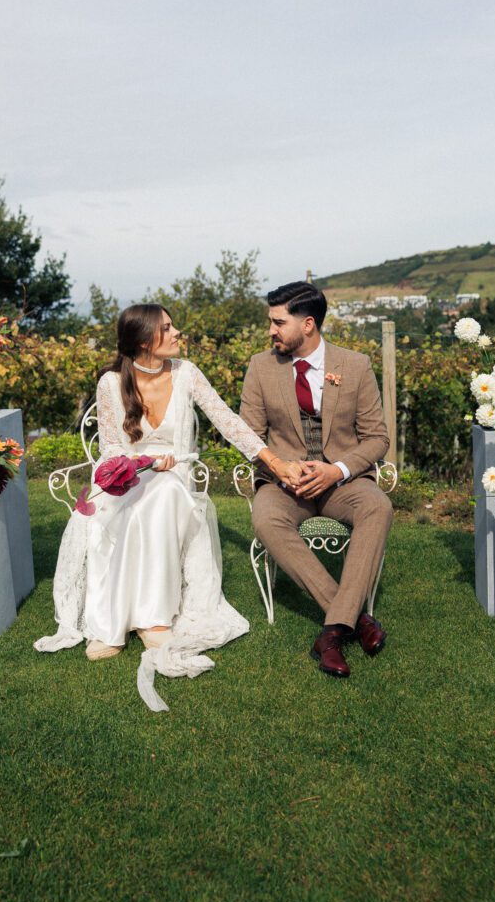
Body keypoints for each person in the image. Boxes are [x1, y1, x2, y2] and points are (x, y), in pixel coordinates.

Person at [34, 303, 303, 711]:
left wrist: (275, 462)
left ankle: (153, 619)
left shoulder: (186, 374)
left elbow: (228, 422)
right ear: (144, 341)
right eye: (167, 328)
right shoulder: (110, 383)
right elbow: (109, 451)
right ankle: (109, 625)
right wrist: (139, 463)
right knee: (124, 504)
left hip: (176, 480)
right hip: (127, 476)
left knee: (160, 497)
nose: (178, 332)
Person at [239, 281, 393, 679]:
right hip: (284, 484)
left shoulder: (355, 366)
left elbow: (378, 438)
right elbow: (248, 436)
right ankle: (353, 620)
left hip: (341, 483)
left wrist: (336, 470)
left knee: (377, 505)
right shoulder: (260, 366)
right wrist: (282, 469)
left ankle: (330, 634)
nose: (271, 331)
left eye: (278, 322)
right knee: (266, 518)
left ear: (308, 324)